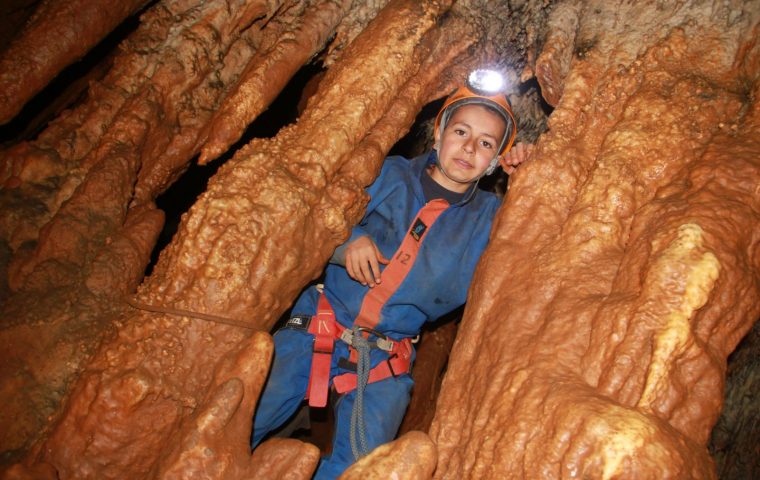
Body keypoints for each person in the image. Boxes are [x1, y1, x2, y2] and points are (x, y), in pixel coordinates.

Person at [251, 69, 532, 478]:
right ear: (438, 135)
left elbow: (529, 258)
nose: (469, 147)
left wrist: (529, 184)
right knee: (249, 414)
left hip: (385, 356)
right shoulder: (387, 174)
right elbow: (310, 219)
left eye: (486, 143)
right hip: (319, 321)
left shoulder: (490, 220)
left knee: (363, 466)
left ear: (494, 161)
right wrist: (346, 242)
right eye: (460, 132)